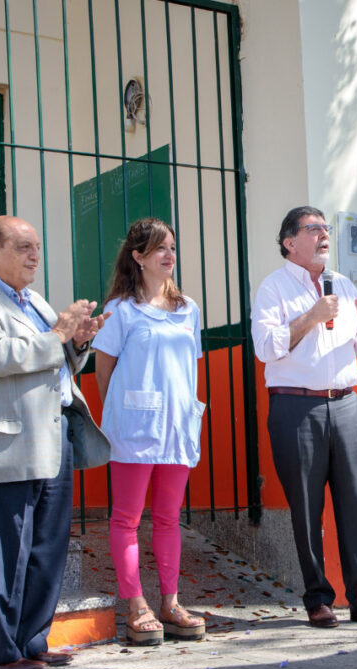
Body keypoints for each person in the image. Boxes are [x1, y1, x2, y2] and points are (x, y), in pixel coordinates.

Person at [0, 215, 109, 669]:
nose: (36, 255)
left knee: (46, 550)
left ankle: (29, 642)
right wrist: (58, 334)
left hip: (52, 439)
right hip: (1, 447)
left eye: (37, 246)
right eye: (24, 246)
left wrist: (77, 342)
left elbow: (56, 363)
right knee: (2, 556)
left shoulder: (33, 301)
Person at [251, 206, 357, 628]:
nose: (323, 235)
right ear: (289, 242)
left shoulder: (342, 283)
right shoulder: (273, 288)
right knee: (306, 507)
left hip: (346, 402)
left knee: (356, 503)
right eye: (313, 228)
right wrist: (312, 316)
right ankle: (318, 598)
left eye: (325, 228)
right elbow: (266, 348)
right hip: (296, 407)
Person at [93, 218, 207, 645]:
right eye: (159, 248)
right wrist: (124, 412)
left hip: (177, 426)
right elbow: (104, 370)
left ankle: (171, 603)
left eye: (172, 247)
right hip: (134, 428)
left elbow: (186, 370)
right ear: (137, 257)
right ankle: (135, 604)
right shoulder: (119, 310)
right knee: (126, 518)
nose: (169, 255)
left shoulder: (189, 309)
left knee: (168, 518)